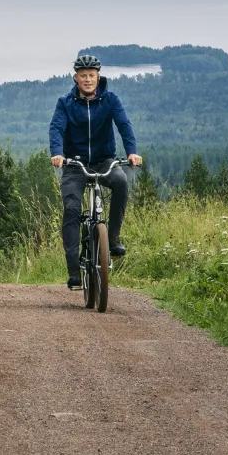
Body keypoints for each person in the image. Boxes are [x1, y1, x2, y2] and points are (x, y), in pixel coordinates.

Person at [49, 54, 143, 290]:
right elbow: (57, 128)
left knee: (121, 183)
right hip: (74, 165)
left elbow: (124, 124)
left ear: (98, 77)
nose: (88, 79)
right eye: (83, 76)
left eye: (91, 75)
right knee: (71, 209)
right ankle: (73, 270)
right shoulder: (65, 103)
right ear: (76, 78)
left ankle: (113, 238)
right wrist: (57, 153)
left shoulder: (110, 99)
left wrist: (132, 151)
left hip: (104, 161)